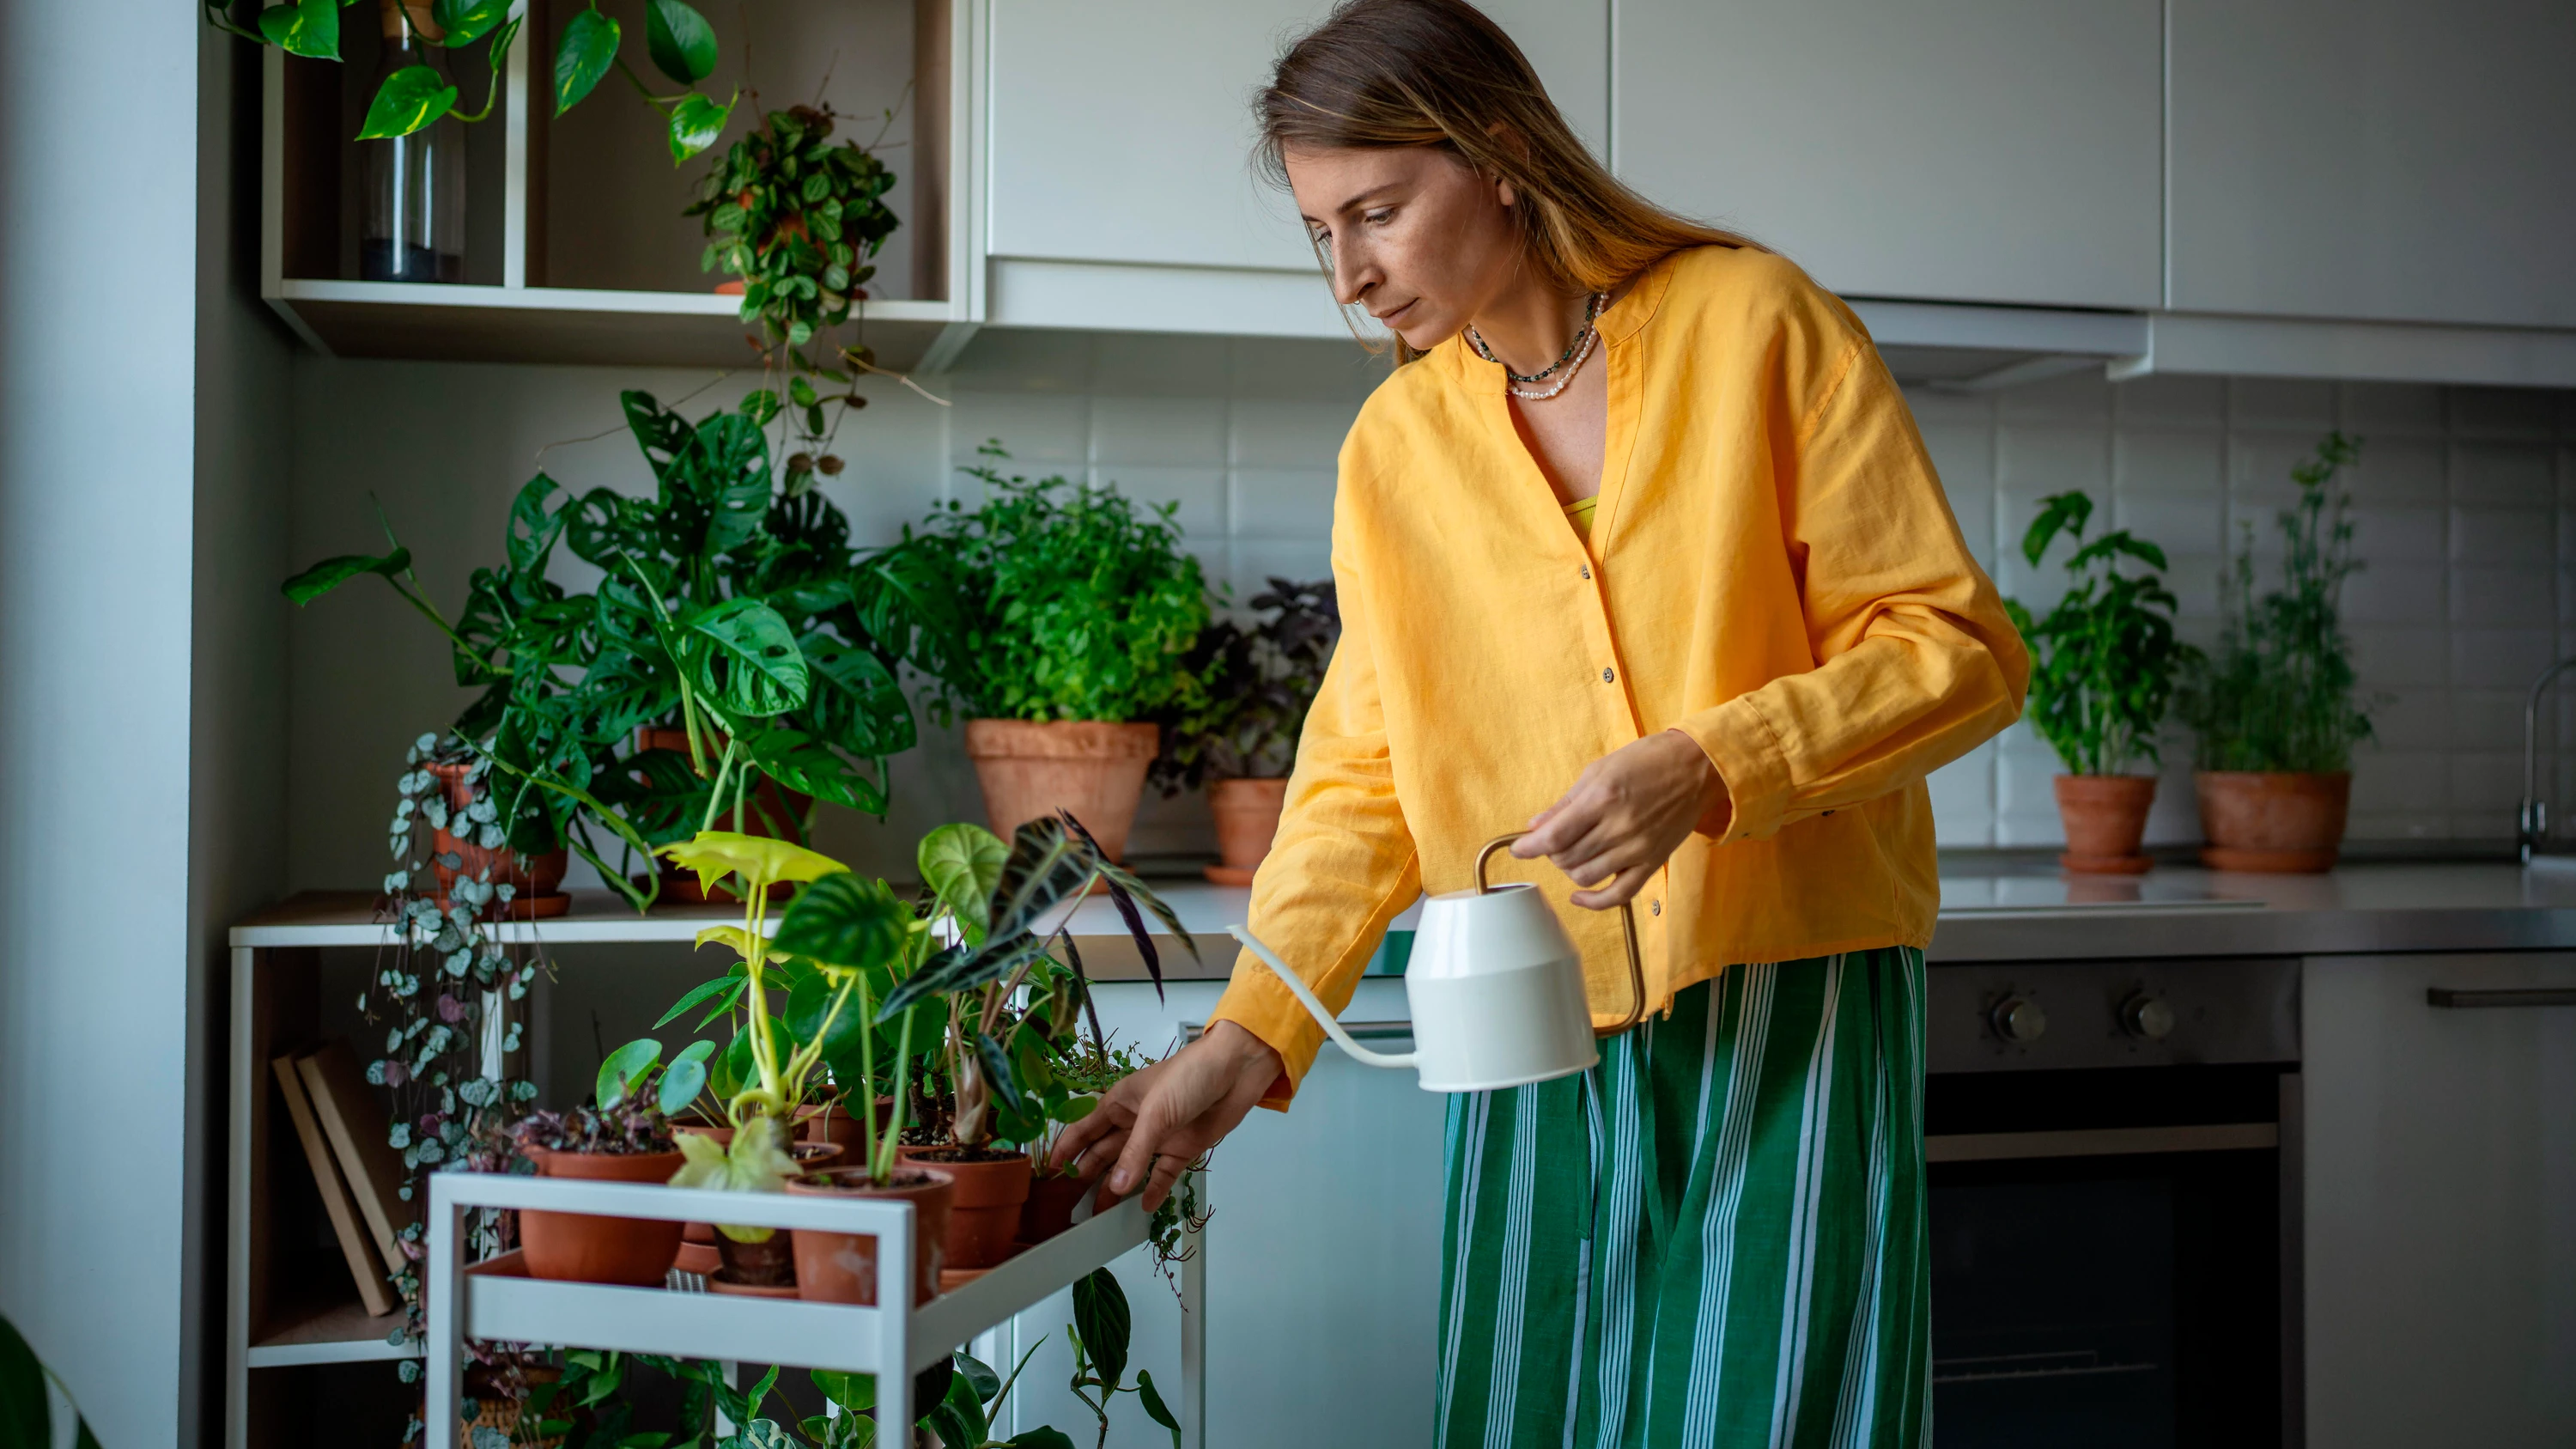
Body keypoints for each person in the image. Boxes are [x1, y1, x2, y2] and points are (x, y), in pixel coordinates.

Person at [1048, 1, 2028, 1442]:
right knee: (1532, 1411)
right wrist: (1248, 1033)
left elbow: (1957, 648)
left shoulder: (1755, 323)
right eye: (1323, 232)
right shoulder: (1397, 449)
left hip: (1790, 986)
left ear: (1498, 153)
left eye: (1376, 212)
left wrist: (1710, 765)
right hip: (1515, 1009)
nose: (1350, 275)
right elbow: (1363, 781)